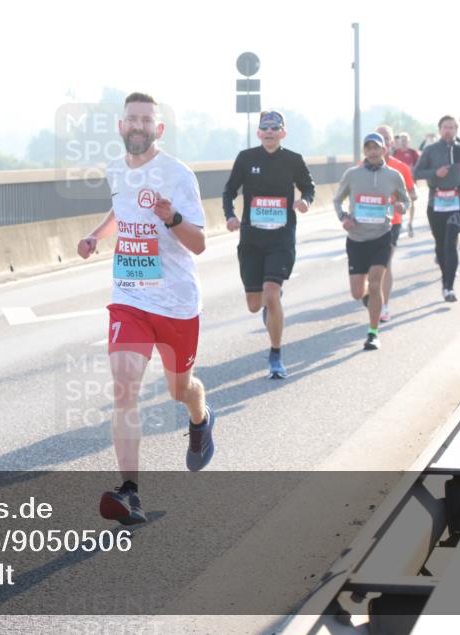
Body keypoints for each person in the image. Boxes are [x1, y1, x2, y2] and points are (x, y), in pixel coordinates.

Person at [78, 92, 214, 526]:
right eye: (131, 119)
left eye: (145, 120)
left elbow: (199, 243)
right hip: (130, 298)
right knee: (124, 387)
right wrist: (96, 236)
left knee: (180, 390)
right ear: (121, 126)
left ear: (158, 128)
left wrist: (172, 218)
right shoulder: (115, 169)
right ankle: (130, 492)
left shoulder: (178, 174)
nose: (138, 126)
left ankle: (200, 417)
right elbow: (121, 209)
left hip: (176, 304)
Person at [222, 110, 316, 379]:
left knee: (272, 293)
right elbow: (229, 190)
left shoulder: (293, 160)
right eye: (265, 128)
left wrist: (305, 201)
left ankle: (275, 355)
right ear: (259, 133)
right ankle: (268, 305)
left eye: (275, 128)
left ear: (283, 133)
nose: (270, 131)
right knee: (254, 304)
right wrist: (230, 215)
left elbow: (308, 187)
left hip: (281, 238)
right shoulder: (246, 158)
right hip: (252, 239)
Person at [334, 133, 410, 349]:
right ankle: (370, 299)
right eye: (368, 148)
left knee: (376, 283)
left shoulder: (393, 175)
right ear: (364, 151)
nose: (373, 152)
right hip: (357, 239)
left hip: (381, 236)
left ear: (384, 150)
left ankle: (373, 333)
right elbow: (337, 199)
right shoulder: (352, 174)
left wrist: (402, 207)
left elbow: (405, 200)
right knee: (357, 292)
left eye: (376, 148)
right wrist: (344, 217)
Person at [413, 115, 460, 303]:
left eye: (451, 127)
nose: (448, 130)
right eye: (445, 127)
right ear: (440, 130)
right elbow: (417, 172)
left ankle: (449, 287)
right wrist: (435, 173)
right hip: (436, 202)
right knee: (440, 244)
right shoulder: (431, 150)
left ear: (456, 130)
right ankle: (445, 278)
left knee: (451, 242)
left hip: (457, 202)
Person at [371, 125, 417, 323]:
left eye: (387, 138)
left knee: (385, 264)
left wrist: (405, 200)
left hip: (392, 222)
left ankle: (384, 306)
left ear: (391, 142)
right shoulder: (361, 166)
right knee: (369, 266)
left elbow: (412, 192)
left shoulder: (401, 167)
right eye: (379, 138)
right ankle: (371, 294)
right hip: (367, 223)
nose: (383, 142)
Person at [393, 132, 421, 237]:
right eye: (402, 140)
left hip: (410, 181)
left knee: (412, 202)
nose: (403, 142)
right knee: (399, 202)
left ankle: (410, 223)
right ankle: (399, 222)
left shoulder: (413, 153)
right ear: (399, 141)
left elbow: (419, 165)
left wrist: (414, 172)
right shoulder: (395, 153)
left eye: (405, 140)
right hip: (398, 182)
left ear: (409, 141)